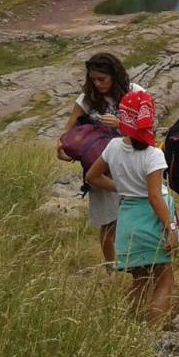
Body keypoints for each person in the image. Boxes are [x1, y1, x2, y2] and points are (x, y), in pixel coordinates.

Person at [86, 89, 179, 324]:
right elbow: (154, 196)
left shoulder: (114, 146)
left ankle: (131, 331)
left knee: (139, 279)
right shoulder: (153, 155)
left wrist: (120, 186)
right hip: (152, 220)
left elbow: (92, 177)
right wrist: (170, 227)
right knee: (163, 278)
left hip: (127, 218)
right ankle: (155, 334)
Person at [57, 53, 143, 266]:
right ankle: (111, 268)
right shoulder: (87, 98)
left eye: (102, 79)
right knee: (109, 222)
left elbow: (148, 130)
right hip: (100, 168)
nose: (97, 84)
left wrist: (120, 125)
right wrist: (64, 148)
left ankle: (138, 263)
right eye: (93, 79)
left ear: (114, 75)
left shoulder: (135, 93)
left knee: (138, 217)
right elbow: (68, 131)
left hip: (132, 164)